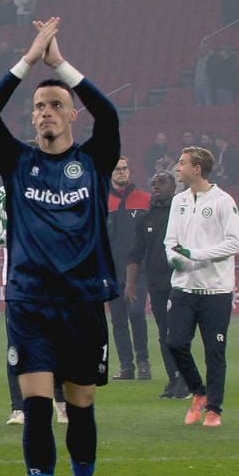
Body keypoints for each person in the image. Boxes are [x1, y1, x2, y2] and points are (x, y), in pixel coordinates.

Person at [0, 17, 119, 476]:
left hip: (82, 301)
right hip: (30, 302)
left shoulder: (94, 161)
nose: (46, 113)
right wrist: (28, 59)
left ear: (71, 115)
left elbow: (110, 112)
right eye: (39, 107)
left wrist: (58, 63)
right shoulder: (16, 163)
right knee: (37, 407)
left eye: (56, 105)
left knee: (80, 406)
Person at [164, 146, 239, 427]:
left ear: (197, 169)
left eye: (182, 163)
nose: (177, 167)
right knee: (174, 343)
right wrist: (175, 259)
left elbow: (234, 242)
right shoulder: (178, 200)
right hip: (183, 287)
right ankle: (199, 392)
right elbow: (170, 240)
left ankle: (214, 410)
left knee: (214, 352)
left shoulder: (223, 201)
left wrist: (194, 256)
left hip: (215, 291)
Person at [0, 185, 70, 426]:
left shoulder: (55, 191)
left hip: (53, 279)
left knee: (57, 342)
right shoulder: (3, 194)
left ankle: (61, 403)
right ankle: (19, 408)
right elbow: (4, 236)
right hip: (19, 282)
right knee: (17, 346)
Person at [126, 172, 188, 399]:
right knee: (164, 333)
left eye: (161, 183)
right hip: (157, 283)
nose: (156, 187)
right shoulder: (146, 217)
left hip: (180, 281)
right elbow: (136, 252)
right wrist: (130, 283)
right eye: (153, 184)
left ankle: (184, 379)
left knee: (178, 332)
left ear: (174, 186)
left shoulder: (182, 213)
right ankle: (174, 380)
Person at [106, 157, 152, 380]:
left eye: (125, 168)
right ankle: (126, 366)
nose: (122, 172)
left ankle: (143, 362)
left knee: (136, 314)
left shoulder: (145, 200)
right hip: (112, 272)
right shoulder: (103, 202)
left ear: (130, 172)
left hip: (138, 270)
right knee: (118, 320)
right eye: (117, 169)